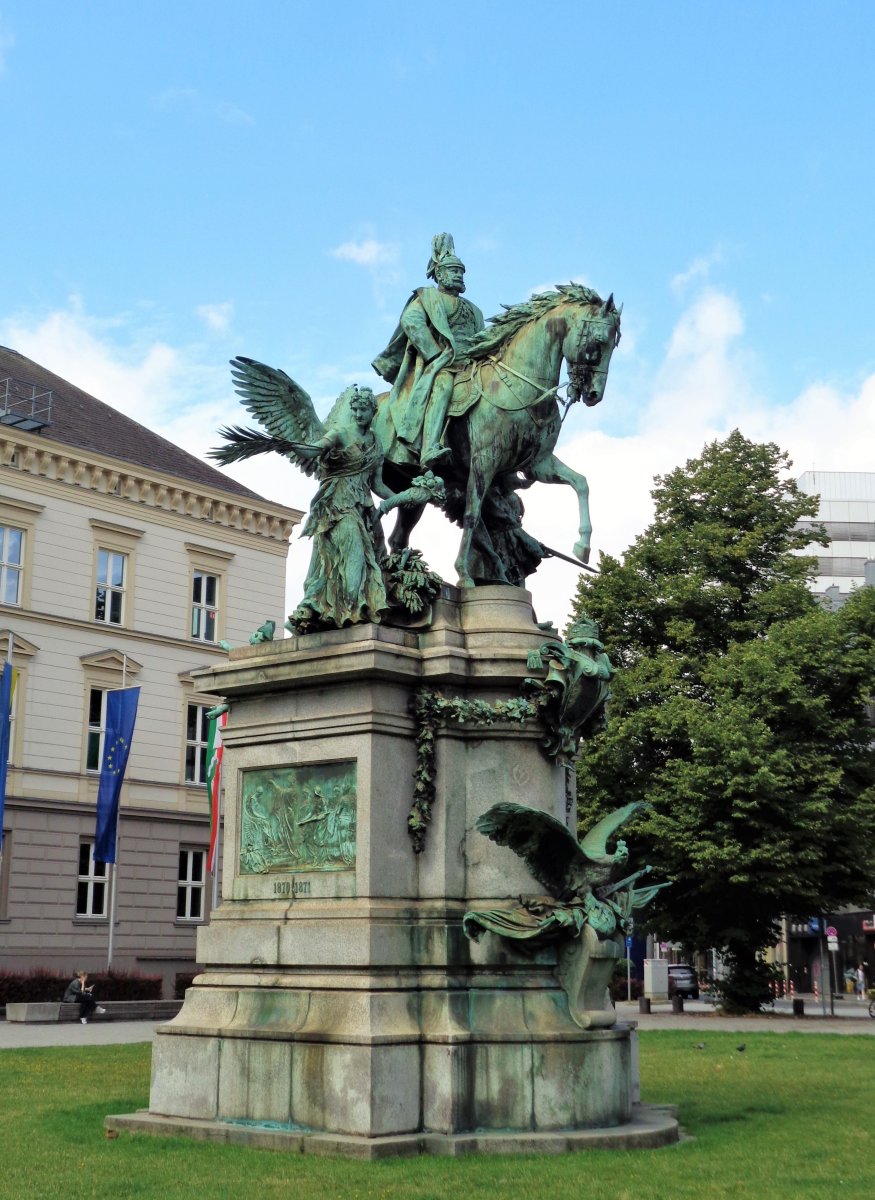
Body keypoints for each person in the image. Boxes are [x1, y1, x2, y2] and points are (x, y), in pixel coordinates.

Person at [288, 385, 399, 631]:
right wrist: (292, 446)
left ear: (373, 412)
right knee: (355, 556)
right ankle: (352, 611)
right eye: (356, 409)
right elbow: (315, 449)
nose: (359, 414)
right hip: (338, 505)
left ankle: (348, 611)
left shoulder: (376, 443)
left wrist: (402, 497)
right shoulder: (340, 433)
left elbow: (378, 484)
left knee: (376, 559)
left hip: (364, 508)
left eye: (364, 410)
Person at [373, 232, 485, 470]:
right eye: (454, 271)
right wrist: (434, 353)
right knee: (443, 386)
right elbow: (412, 321)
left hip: (473, 365)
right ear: (440, 274)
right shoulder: (428, 296)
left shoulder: (475, 310)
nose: (459, 275)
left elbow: (482, 338)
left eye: (461, 272)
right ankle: (430, 447)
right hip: (444, 362)